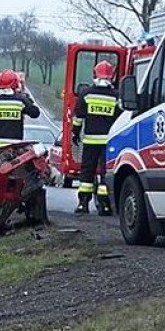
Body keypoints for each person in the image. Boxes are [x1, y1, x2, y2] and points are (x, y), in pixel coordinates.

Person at [72, 60, 121, 215]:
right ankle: (105, 205)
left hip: (90, 141)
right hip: (109, 142)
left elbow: (78, 117)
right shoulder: (116, 96)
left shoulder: (86, 93)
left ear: (95, 74)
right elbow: (121, 118)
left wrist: (75, 133)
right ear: (111, 76)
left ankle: (83, 204)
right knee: (105, 173)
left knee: (87, 172)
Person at [0, 69, 40, 147]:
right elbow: (35, 113)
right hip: (15, 146)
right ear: (16, 85)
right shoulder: (21, 100)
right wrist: (27, 98)